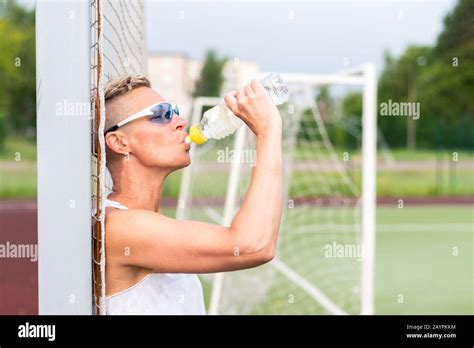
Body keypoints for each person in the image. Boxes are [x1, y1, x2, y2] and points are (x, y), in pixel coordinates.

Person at [103, 75, 283, 314]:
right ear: (119, 142)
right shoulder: (120, 226)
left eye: (175, 111)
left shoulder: (148, 221)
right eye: (161, 114)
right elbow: (254, 245)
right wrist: (268, 129)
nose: (180, 121)